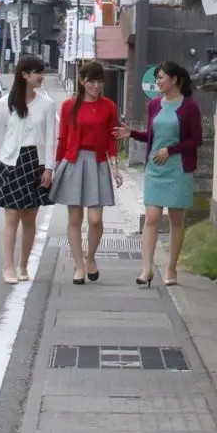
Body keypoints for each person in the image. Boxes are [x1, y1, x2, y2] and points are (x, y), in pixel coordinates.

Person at [117, 60, 202, 286]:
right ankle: (146, 269)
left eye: (161, 78)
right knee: (152, 218)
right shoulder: (154, 105)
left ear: (173, 79)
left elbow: (196, 140)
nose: (158, 82)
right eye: (157, 78)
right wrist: (132, 133)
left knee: (176, 220)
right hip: (156, 167)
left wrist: (171, 150)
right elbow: (152, 137)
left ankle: (171, 268)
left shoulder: (189, 106)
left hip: (178, 169)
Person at [0, 55, 56, 285]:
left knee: (30, 218)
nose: (41, 76)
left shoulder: (47, 104)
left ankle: (24, 264)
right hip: (10, 162)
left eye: (41, 72)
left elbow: (52, 139)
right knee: (11, 216)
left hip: (35, 162)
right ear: (24, 75)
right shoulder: (5, 103)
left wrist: (49, 168)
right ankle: (8, 267)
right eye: (37, 72)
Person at [53, 60, 125, 284]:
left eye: (99, 81)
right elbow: (63, 139)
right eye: (91, 81)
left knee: (95, 219)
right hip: (73, 162)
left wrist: (114, 168)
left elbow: (112, 140)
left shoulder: (109, 106)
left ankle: (90, 256)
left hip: (97, 163)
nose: (96, 86)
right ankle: (78, 266)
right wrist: (55, 168)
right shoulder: (68, 106)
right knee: (75, 218)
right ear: (82, 81)